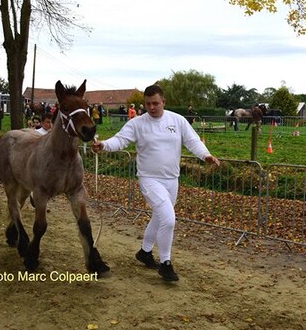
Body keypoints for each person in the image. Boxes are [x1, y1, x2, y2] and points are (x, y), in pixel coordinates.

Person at [92, 84, 220, 282]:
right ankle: (166, 263)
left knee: (160, 218)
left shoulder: (177, 120)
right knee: (168, 219)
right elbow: (121, 140)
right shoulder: (137, 124)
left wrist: (206, 155)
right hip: (149, 179)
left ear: (163, 102)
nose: (151, 107)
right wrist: (104, 145)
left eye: (155, 103)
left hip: (172, 179)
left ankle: (144, 252)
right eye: (148, 104)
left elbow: (193, 140)